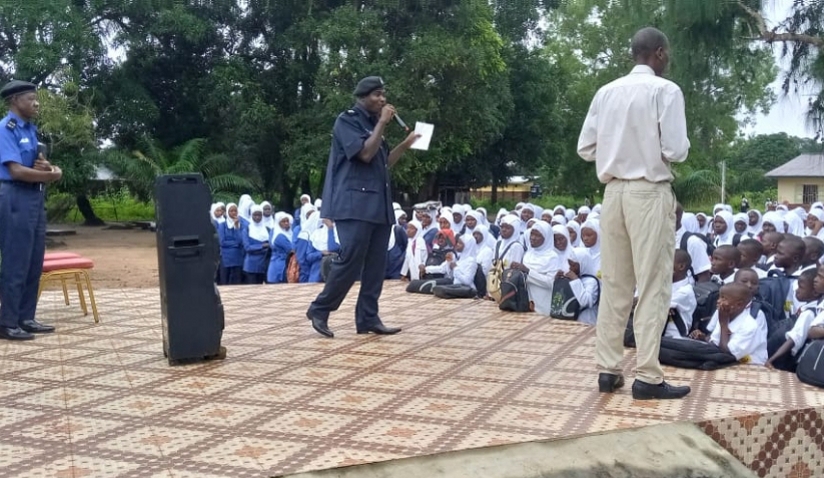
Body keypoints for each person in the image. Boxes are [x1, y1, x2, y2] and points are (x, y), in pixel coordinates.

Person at [577, 27, 691, 399]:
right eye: (667, 53)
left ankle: (608, 370)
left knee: (615, 284)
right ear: (658, 53)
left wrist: (618, 148)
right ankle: (648, 376)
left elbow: (586, 148)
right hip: (648, 191)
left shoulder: (606, 92)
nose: (668, 58)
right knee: (654, 285)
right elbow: (676, 150)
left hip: (612, 193)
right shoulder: (666, 90)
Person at [306, 76, 420, 338]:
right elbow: (365, 154)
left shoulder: (372, 124)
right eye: (377, 95)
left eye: (384, 95)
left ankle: (368, 317)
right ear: (363, 97)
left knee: (376, 265)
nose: (383, 99)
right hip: (353, 205)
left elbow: (383, 163)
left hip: (378, 205)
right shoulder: (346, 120)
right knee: (350, 260)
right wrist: (382, 123)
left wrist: (405, 144)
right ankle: (320, 309)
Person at [0, 80, 63, 340]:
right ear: (15, 100)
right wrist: (52, 177)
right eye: (30, 98)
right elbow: (15, 170)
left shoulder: (30, 129)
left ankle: (26, 316)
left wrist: (48, 167)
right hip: (14, 196)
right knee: (16, 260)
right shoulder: (6, 128)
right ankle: (7, 322)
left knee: (34, 260)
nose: (36, 103)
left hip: (34, 199)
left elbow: (34, 166)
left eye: (36, 98)